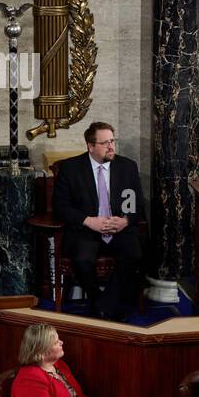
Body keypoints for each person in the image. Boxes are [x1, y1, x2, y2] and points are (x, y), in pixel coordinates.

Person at [51, 121, 146, 321]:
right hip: (87, 230)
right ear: (91, 146)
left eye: (113, 141)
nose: (111, 147)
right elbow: (61, 208)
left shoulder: (127, 167)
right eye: (105, 143)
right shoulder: (70, 168)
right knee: (82, 259)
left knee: (133, 253)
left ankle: (103, 306)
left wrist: (125, 221)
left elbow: (136, 205)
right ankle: (101, 302)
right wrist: (88, 220)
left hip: (118, 229)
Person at [9, 324, 101, 397]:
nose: (62, 342)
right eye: (56, 342)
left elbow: (79, 396)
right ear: (41, 351)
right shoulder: (29, 380)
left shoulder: (59, 365)